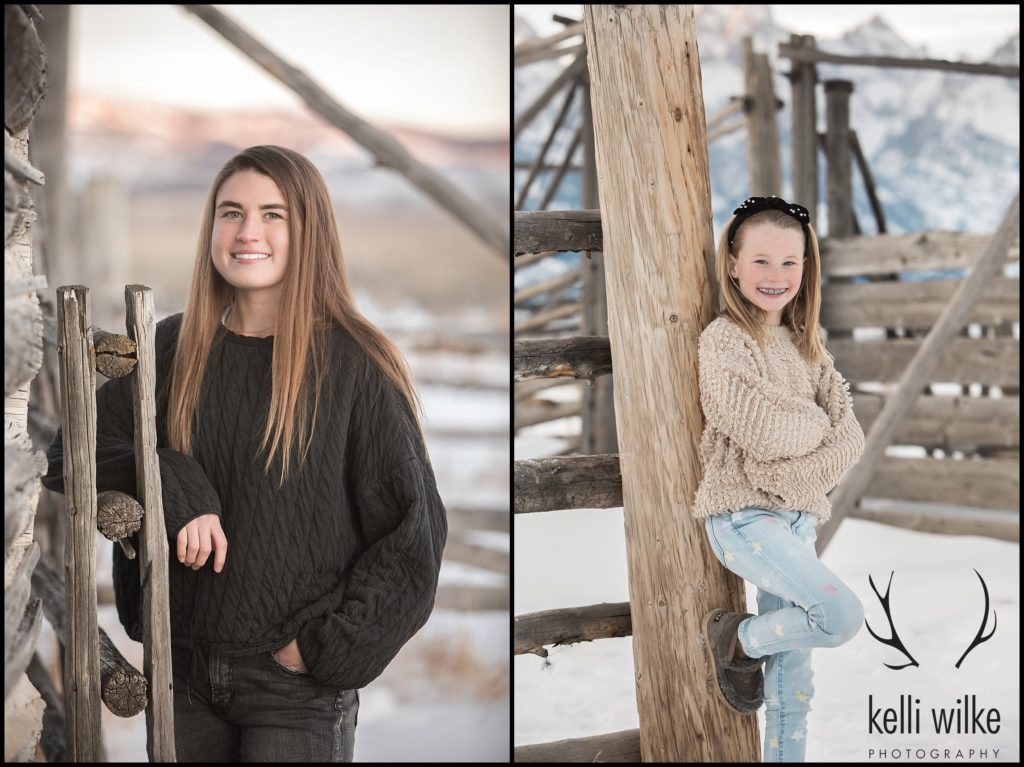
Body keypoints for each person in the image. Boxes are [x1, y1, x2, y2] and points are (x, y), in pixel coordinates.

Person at [42, 145, 448, 762]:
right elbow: (69, 450)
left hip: (293, 689)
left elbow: (412, 534)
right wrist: (174, 484)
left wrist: (323, 650)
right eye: (231, 212)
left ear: (310, 231)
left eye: (273, 215)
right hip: (181, 670)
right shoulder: (173, 347)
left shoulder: (353, 366)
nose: (247, 232)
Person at [692, 195, 865, 762]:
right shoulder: (725, 342)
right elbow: (762, 430)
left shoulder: (810, 350)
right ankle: (736, 640)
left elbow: (852, 440)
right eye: (761, 261)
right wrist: (816, 426)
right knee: (837, 617)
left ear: (805, 269)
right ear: (734, 265)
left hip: (796, 520)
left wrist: (797, 461)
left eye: (790, 263)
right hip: (745, 519)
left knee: (795, 691)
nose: (776, 276)